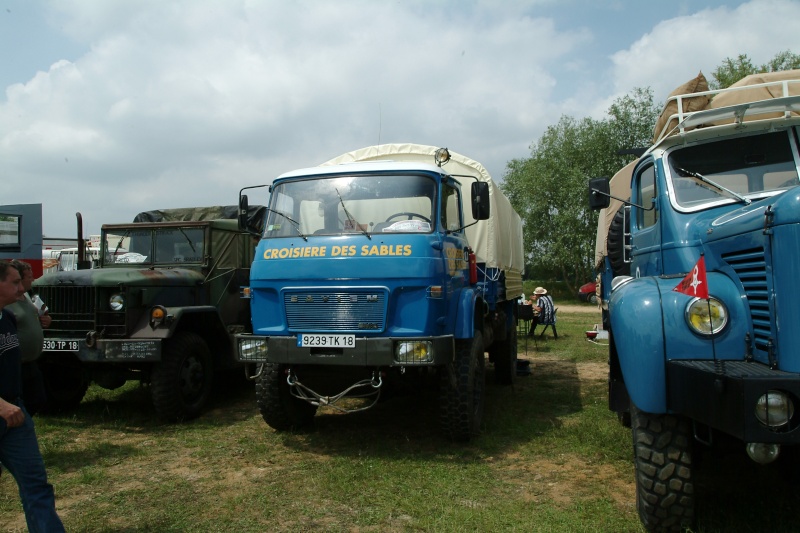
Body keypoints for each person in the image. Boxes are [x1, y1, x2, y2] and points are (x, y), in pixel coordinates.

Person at [0, 261, 65, 532]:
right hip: (4, 410)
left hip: (16, 417)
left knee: (36, 485)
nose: (21, 289)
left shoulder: (6, 318)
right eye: (15, 282)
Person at [6, 260, 50, 416]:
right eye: (29, 277)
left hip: (31, 362)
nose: (33, 280)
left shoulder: (26, 295)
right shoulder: (8, 302)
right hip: (16, 364)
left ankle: (24, 421)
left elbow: (39, 312)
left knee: (38, 399)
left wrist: (46, 319)